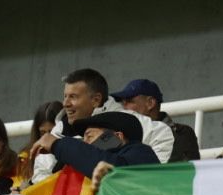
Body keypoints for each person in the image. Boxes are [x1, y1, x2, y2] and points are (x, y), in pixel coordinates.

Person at [30, 68, 174, 181]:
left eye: (73, 97)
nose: (65, 104)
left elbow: (145, 176)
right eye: (65, 96)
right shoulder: (59, 130)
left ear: (96, 99)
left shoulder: (135, 127)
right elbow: (42, 178)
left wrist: (60, 146)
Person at [111, 78, 201, 161]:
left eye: (129, 101)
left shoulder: (182, 133)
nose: (124, 108)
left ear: (150, 103)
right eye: (122, 103)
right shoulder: (119, 135)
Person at [16, 101, 62, 186]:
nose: (46, 137)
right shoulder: (26, 155)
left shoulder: (71, 152)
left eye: (52, 131)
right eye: (42, 132)